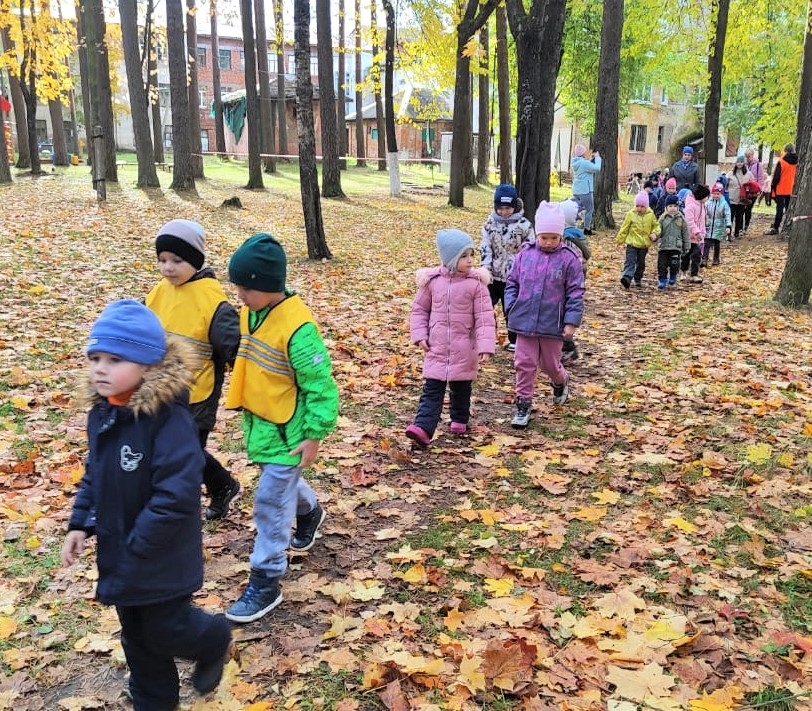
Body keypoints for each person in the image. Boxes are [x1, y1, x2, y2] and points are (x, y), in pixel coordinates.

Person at [60, 300, 232, 711]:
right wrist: (80, 523)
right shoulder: (103, 416)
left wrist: (140, 544)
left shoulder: (168, 421)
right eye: (95, 357)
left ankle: (212, 638)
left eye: (115, 359)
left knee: (167, 629)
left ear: (148, 366)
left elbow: (176, 494)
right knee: (137, 640)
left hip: (161, 558)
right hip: (121, 556)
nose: (100, 368)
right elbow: (94, 475)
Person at [224, 233, 339, 623]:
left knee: (271, 502)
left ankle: (266, 578)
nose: (239, 294)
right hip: (264, 423)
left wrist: (314, 433)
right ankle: (310, 513)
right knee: (281, 485)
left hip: (291, 431)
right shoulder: (252, 313)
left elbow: (320, 384)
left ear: (267, 286)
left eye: (245, 287)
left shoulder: (298, 328)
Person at [145, 219, 241, 521]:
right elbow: (142, 328)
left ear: (195, 261)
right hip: (160, 389)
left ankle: (179, 511)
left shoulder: (212, 301)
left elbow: (234, 347)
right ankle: (222, 484)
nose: (168, 268)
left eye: (177, 260)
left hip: (197, 394)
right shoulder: (158, 292)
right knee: (171, 451)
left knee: (184, 452)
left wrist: (250, 386)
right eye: (162, 260)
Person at [406, 229, 495, 447]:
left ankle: (459, 418)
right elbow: (419, 310)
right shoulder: (432, 282)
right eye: (464, 256)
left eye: (472, 255)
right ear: (451, 259)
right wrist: (419, 335)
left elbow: (484, 318)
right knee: (432, 389)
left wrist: (486, 346)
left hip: (465, 347)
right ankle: (423, 428)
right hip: (436, 347)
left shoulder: (476, 285)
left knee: (461, 386)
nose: (470, 261)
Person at [505, 202, 585, 429]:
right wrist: (512, 306)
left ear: (560, 235)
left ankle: (560, 380)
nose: (548, 242)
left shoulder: (569, 259)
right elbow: (512, 282)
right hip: (524, 321)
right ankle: (523, 403)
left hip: (553, 324)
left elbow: (575, 291)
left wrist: (571, 322)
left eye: (553, 238)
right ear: (537, 235)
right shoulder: (525, 255)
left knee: (549, 364)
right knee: (524, 362)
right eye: (544, 238)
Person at [480, 184, 534, 352]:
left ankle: (515, 339)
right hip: (493, 276)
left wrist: (525, 269)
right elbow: (485, 247)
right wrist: (485, 269)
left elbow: (531, 248)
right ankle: (486, 338)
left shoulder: (524, 225)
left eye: (508, 208)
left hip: (514, 277)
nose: (504, 212)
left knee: (512, 309)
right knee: (486, 308)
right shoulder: (490, 225)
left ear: (514, 206)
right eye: (501, 208)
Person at [560, 198, 590, 364]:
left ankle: (568, 349)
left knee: (563, 318)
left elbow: (574, 263)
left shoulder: (569, 239)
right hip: (572, 283)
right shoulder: (576, 235)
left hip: (569, 285)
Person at [615, 190, 660, 289]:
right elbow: (624, 228)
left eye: (642, 206)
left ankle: (638, 277)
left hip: (644, 245)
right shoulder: (631, 214)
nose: (639, 209)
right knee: (630, 261)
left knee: (641, 263)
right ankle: (627, 277)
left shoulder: (651, 215)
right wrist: (619, 240)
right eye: (637, 206)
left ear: (646, 206)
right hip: (632, 243)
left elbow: (656, 226)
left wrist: (654, 234)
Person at [656, 194, 690, 289]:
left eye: (675, 206)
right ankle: (662, 280)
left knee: (674, 264)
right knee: (661, 265)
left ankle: (673, 276)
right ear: (666, 207)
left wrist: (686, 245)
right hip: (664, 246)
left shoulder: (681, 219)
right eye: (670, 206)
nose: (673, 208)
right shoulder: (663, 218)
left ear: (678, 207)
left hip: (676, 246)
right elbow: (658, 230)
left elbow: (685, 233)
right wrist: (655, 236)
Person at [767, 143, 798, 235]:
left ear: (785, 150)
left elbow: (776, 176)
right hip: (790, 188)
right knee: (788, 209)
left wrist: (773, 186)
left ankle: (776, 227)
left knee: (779, 209)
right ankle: (789, 225)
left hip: (780, 188)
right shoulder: (796, 161)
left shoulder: (781, 161)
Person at [681, 184, 710, 283]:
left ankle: (694, 274)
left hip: (699, 237)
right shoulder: (690, 207)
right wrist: (696, 232)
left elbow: (702, 220)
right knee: (686, 255)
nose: (707, 198)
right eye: (706, 197)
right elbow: (689, 222)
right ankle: (683, 271)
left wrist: (703, 232)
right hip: (689, 237)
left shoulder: (702, 205)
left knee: (697, 256)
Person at [571, 144, 602, 235]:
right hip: (585, 189)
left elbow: (585, 167)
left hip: (576, 189)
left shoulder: (575, 162)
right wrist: (597, 158)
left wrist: (590, 160)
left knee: (577, 209)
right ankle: (587, 229)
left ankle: (571, 225)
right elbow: (597, 168)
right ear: (583, 153)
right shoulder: (584, 163)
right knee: (589, 209)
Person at [702, 182, 731, 267]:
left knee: (716, 243)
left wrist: (728, 225)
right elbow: (704, 211)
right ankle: (704, 258)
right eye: (714, 194)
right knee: (706, 242)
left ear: (721, 194)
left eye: (718, 194)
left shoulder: (724, 204)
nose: (716, 196)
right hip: (709, 225)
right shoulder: (708, 203)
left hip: (719, 225)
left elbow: (727, 214)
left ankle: (716, 258)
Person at [726, 155, 755, 239]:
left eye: (741, 162)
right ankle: (728, 233)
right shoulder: (730, 173)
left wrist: (748, 190)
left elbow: (753, 184)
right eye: (738, 162)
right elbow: (725, 185)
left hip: (742, 199)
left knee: (739, 216)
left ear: (744, 163)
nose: (739, 163)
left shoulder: (748, 174)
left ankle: (737, 232)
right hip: (732, 198)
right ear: (735, 163)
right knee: (730, 216)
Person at [744, 148, 766, 232]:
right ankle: (741, 225)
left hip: (753, 190)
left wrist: (760, 189)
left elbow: (760, 178)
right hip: (745, 189)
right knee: (742, 208)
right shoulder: (744, 164)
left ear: (752, 156)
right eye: (746, 157)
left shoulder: (758, 165)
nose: (747, 158)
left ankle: (746, 225)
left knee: (748, 208)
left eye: (748, 156)